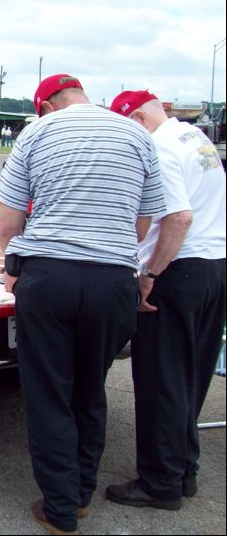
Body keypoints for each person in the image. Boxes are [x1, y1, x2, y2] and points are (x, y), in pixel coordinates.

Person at [0, 74, 166, 535]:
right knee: (91, 388)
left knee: (49, 394)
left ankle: (60, 509)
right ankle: (83, 494)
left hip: (49, 278)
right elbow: (145, 223)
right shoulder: (136, 134)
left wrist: (12, 265)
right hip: (113, 281)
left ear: (46, 106)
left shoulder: (39, 132)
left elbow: (8, 216)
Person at [104, 90, 226, 511]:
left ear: (137, 117)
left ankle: (160, 482)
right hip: (214, 266)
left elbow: (178, 217)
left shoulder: (159, 147)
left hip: (178, 270)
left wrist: (150, 273)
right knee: (191, 378)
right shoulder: (195, 138)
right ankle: (183, 470)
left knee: (160, 381)